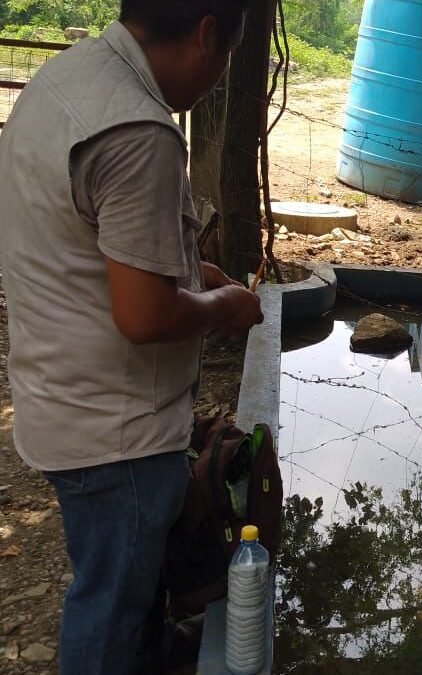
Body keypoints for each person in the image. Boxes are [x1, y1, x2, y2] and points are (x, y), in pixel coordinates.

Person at [0, 2, 262, 673]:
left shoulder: (67, 80)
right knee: (110, 603)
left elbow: (92, 244)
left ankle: (150, 654)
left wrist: (187, 269)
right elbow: (144, 315)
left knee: (128, 578)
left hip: (60, 394)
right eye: (228, 58)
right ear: (207, 34)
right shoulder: (140, 130)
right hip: (114, 434)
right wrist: (225, 303)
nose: (217, 76)